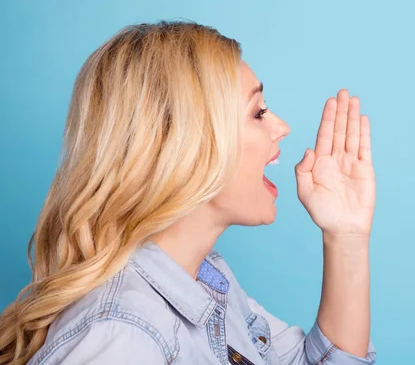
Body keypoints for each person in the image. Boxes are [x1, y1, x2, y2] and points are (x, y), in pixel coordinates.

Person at [0, 20, 377, 365]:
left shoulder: (209, 281)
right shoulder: (123, 337)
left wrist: (346, 237)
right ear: (184, 144)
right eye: (258, 112)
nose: (282, 126)